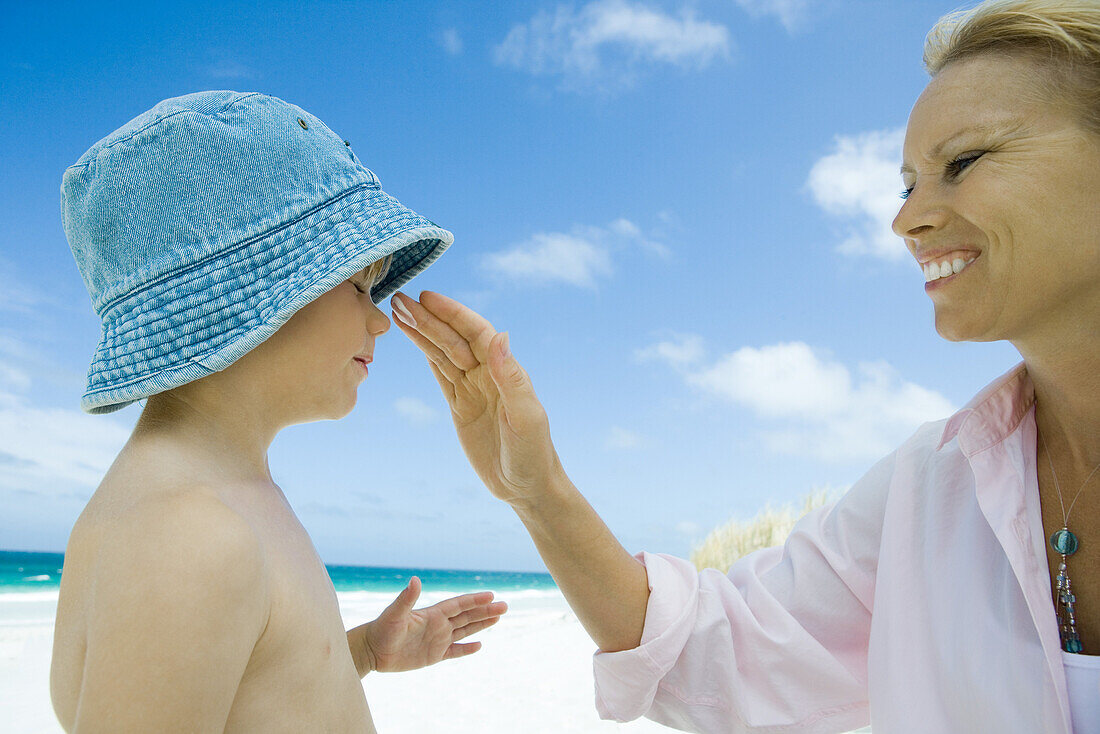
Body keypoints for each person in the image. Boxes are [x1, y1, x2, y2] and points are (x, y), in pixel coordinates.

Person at [386, 1, 1100, 732]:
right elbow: (707, 654)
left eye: (963, 162)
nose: (907, 218)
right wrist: (534, 488)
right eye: (908, 183)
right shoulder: (932, 484)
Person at [50, 90, 507, 733]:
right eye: (356, 285)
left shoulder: (225, 494)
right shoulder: (186, 536)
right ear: (244, 302)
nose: (378, 319)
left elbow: (245, 690)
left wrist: (361, 654)